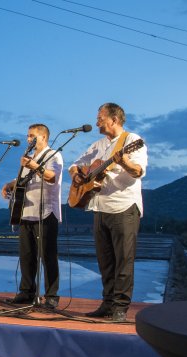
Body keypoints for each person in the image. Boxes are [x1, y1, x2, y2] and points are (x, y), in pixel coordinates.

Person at [69, 103, 147, 321]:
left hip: (123, 206)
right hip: (100, 207)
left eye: (100, 118)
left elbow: (138, 171)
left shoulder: (132, 141)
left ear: (114, 119)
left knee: (123, 259)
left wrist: (125, 162)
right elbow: (75, 164)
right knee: (105, 260)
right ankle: (107, 302)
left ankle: (120, 307)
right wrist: (77, 176)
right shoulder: (99, 144)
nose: (96, 122)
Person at [1, 124, 63, 308]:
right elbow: (22, 179)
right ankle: (26, 291)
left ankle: (51, 296)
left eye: (32, 136)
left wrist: (33, 165)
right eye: (28, 136)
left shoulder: (53, 155)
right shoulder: (30, 157)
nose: (28, 139)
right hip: (26, 211)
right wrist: (9, 184)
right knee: (27, 255)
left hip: (46, 212)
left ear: (43, 137)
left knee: (48, 256)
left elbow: (52, 176)